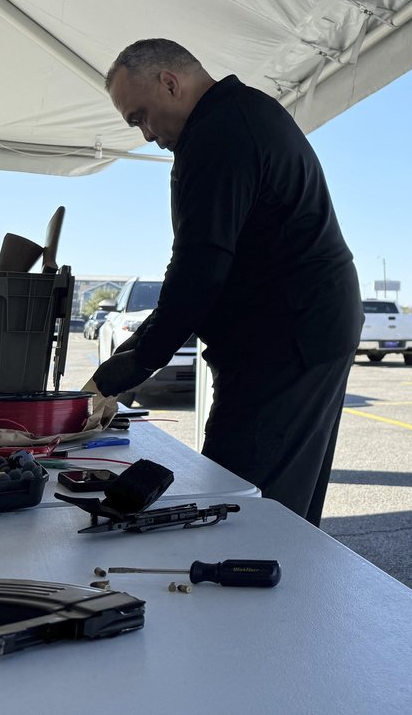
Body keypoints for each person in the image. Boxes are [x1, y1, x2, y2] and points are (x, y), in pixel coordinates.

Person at [93, 39, 362, 526]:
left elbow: (198, 272)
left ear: (171, 84)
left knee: (240, 507)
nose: (147, 134)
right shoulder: (239, 114)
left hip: (290, 338)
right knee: (277, 503)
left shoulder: (221, 132)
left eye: (140, 117)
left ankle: (264, 596)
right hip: (301, 329)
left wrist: (118, 375)